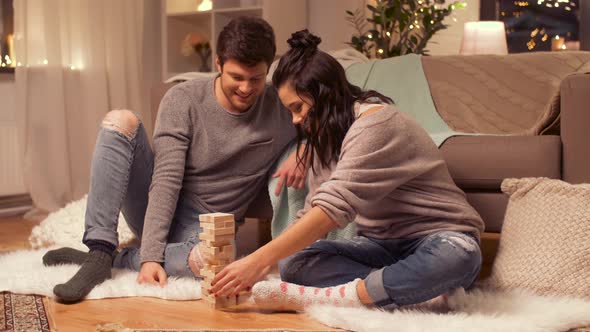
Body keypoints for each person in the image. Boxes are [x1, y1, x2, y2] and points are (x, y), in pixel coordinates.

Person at [208, 30, 485, 311]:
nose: (295, 119)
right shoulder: (324, 140)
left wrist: (257, 260)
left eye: (298, 107)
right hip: (380, 247)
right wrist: (268, 260)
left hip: (439, 238)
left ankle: (344, 297)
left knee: (458, 257)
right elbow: (311, 213)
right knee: (293, 262)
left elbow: (332, 209)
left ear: (323, 95)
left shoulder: (377, 123)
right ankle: (412, 292)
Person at [42, 16, 306, 303]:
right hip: (155, 206)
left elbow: (341, 114)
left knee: (213, 262)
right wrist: (151, 258)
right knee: (121, 121)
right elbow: (166, 180)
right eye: (236, 77)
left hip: (208, 226)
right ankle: (99, 252)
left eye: (255, 79)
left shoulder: (281, 106)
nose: (245, 88)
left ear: (268, 69)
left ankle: (119, 259)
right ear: (218, 64)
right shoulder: (183, 99)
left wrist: (306, 150)